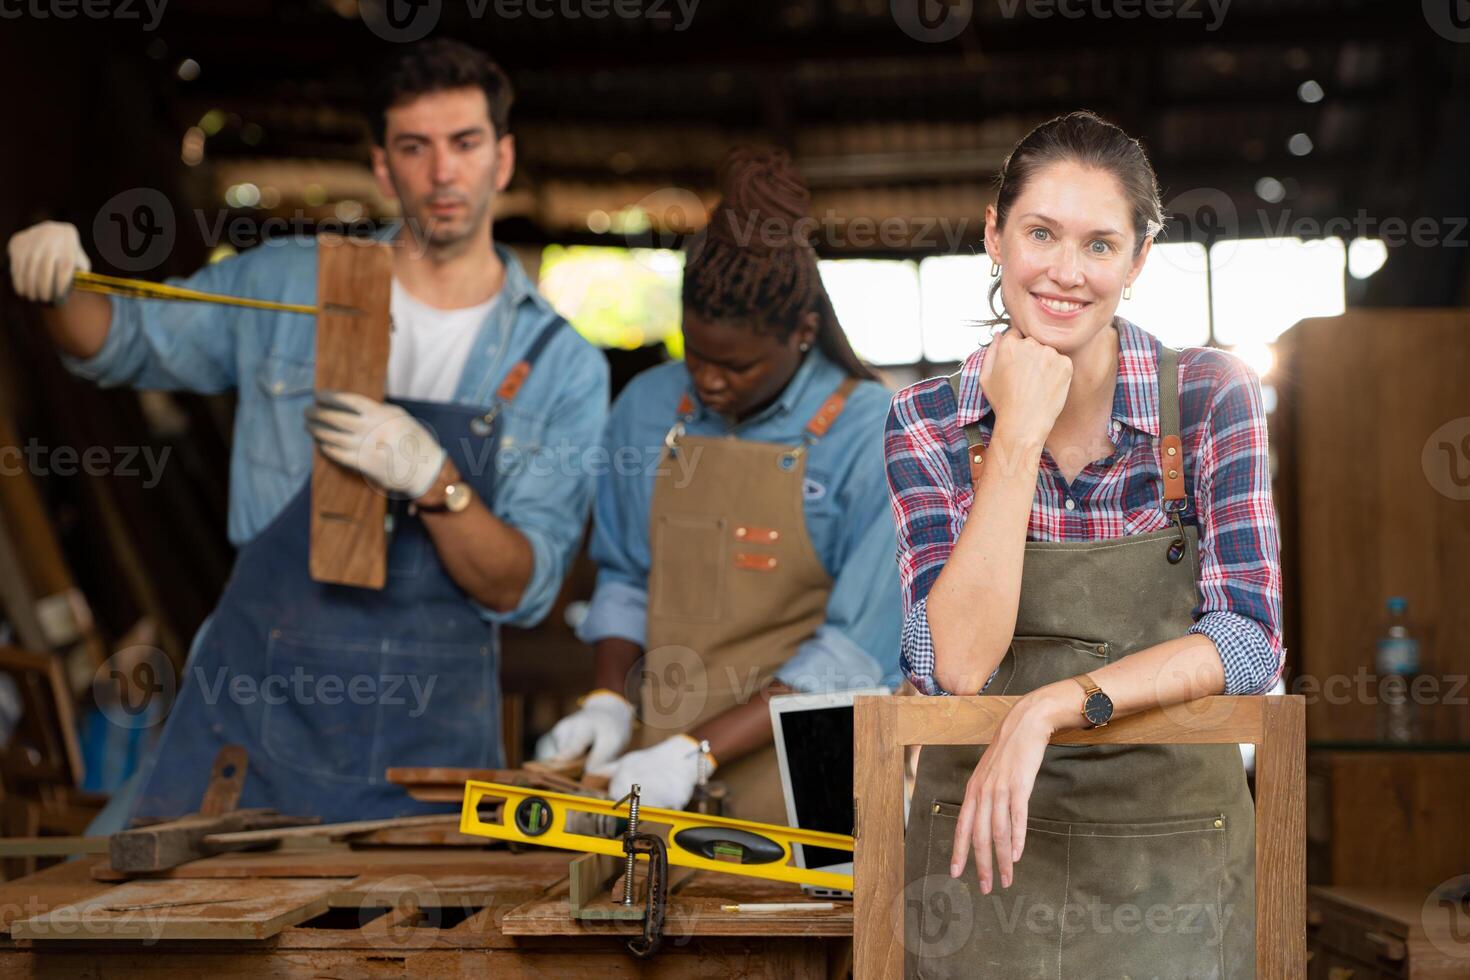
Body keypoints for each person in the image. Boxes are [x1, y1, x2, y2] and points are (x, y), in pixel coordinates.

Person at [6, 39, 608, 824]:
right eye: (415, 148)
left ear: (502, 158)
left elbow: (520, 588)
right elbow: (119, 338)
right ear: (384, 167)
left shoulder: (560, 365)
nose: (442, 172)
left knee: (416, 946)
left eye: (464, 143)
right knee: (118, 915)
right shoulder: (288, 283)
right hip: (256, 714)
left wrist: (436, 481)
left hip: (429, 744)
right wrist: (57, 284)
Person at [885, 111, 1282, 977]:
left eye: (1100, 245)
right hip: (977, 871)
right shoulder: (927, 422)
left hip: (1172, 865)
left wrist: (1050, 707)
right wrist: (1018, 434)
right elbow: (957, 662)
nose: (1066, 272)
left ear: (1138, 261)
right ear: (995, 236)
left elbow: (1248, 641)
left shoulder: (1211, 399)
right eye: (1040, 234)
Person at [535, 148, 901, 824]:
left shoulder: (867, 433)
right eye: (694, 353)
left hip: (809, 779)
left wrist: (696, 752)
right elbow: (624, 578)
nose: (708, 381)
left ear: (803, 333)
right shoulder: (646, 409)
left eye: (736, 366)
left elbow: (857, 654)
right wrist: (610, 699)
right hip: (654, 777)